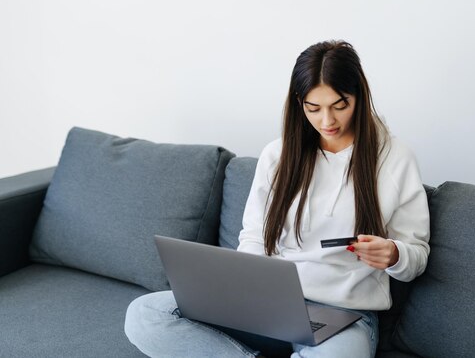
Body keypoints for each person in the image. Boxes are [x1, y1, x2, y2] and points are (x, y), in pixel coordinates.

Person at [124, 40, 430, 358]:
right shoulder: (278, 155)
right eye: (314, 108)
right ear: (299, 103)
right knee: (145, 314)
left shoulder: (395, 159)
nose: (327, 121)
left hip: (345, 316)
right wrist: (246, 289)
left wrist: (394, 255)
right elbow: (255, 237)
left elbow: (417, 257)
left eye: (340, 105)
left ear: (359, 96)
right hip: (269, 303)